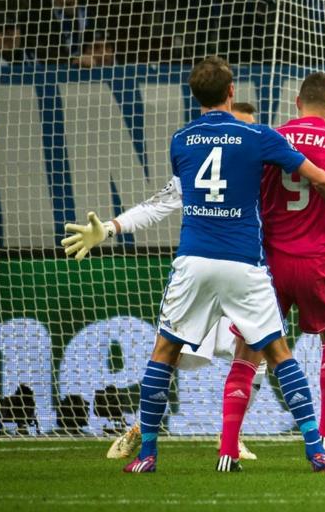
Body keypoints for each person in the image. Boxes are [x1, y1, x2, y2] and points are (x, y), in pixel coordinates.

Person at [64, 79, 325, 471]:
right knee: (284, 351)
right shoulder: (260, 140)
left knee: (188, 352)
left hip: (218, 262)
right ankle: (318, 444)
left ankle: (180, 447)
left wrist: (110, 228)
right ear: (230, 92)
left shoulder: (186, 140)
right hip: (258, 265)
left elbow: (164, 202)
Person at [102, 102, 267, 463]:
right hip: (204, 276)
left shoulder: (260, 173)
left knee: (257, 356)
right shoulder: (197, 170)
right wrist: (112, 227)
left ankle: (231, 436)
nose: (246, 135)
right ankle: (140, 429)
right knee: (172, 353)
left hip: (243, 275)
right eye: (242, 127)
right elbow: (156, 205)